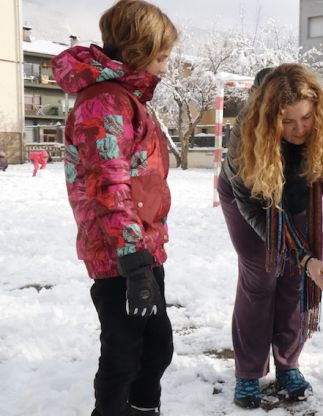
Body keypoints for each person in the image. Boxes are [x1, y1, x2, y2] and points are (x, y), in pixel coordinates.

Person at [218, 63, 323, 409]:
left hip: (298, 193)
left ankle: (288, 364)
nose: (299, 129)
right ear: (270, 118)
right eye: (288, 121)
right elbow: (254, 207)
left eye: (306, 119)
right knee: (261, 277)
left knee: (294, 278)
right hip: (251, 201)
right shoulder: (247, 131)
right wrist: (303, 255)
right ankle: (249, 372)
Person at [51, 1, 178, 414]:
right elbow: (108, 182)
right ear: (138, 51)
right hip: (119, 256)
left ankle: (143, 409)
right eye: (160, 56)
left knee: (157, 348)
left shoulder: (126, 97)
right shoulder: (105, 103)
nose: (165, 66)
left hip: (142, 247)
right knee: (124, 354)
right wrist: (133, 258)